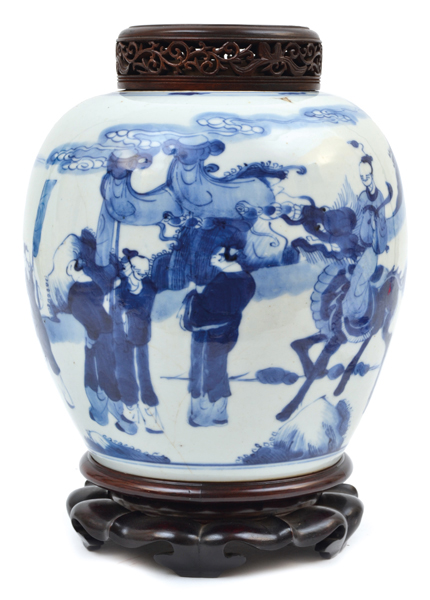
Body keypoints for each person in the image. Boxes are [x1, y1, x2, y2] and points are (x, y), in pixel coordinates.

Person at [46, 235, 121, 425]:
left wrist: (92, 336)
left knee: (97, 370)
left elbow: (87, 314)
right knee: (105, 368)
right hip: (103, 332)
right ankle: (109, 407)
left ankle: (103, 409)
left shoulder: (79, 291)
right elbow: (95, 308)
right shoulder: (92, 286)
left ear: (73, 267)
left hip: (97, 335)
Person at [182, 245, 255, 427]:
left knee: (204, 370)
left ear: (226, 258)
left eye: (217, 255)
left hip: (209, 332)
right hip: (228, 330)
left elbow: (210, 308)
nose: (213, 257)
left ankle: (202, 415)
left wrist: (195, 294)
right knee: (218, 369)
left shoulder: (223, 281)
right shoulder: (246, 279)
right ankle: (220, 414)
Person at [113, 249, 163, 434]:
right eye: (137, 270)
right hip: (121, 337)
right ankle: (130, 410)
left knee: (142, 373)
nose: (141, 274)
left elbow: (140, 307)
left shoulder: (148, 287)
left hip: (138, 335)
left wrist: (130, 283)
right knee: (124, 371)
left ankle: (150, 416)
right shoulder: (121, 285)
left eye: (143, 271)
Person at [344, 154, 391, 321]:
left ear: (372, 174)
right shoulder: (362, 197)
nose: (364, 180)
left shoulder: (380, 198)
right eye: (362, 177)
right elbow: (357, 222)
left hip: (372, 248)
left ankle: (358, 315)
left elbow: (382, 225)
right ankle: (350, 311)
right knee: (352, 276)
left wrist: (376, 224)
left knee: (360, 277)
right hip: (360, 246)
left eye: (367, 177)